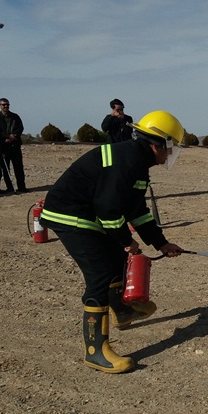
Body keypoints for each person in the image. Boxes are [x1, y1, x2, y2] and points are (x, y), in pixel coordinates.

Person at [40, 110, 186, 374]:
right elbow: (108, 209)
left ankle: (122, 310)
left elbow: (136, 210)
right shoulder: (127, 162)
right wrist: (126, 240)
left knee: (118, 259)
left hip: (89, 213)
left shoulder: (138, 162)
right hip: (69, 215)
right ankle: (95, 351)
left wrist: (161, 243)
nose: (170, 154)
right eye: (171, 147)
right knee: (99, 274)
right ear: (158, 144)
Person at [0, 98, 26, 192]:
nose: (6, 106)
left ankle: (21, 187)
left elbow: (20, 128)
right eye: (4, 105)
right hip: (3, 146)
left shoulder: (15, 116)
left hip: (15, 145)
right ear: (0, 106)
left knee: (18, 167)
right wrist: (7, 137)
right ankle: (10, 187)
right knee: (6, 168)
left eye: (7, 104)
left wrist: (14, 136)